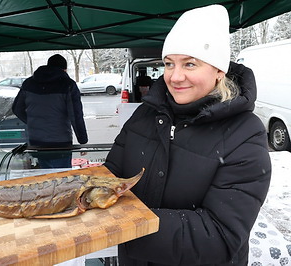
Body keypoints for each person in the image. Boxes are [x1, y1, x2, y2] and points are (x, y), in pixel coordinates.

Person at [104, 5, 271, 266]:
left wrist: (120, 227)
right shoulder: (145, 115)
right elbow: (112, 177)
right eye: (169, 64)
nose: (175, 76)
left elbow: (220, 235)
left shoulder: (245, 133)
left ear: (219, 71)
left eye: (190, 64)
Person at [12, 54, 88, 168]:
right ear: (64, 69)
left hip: (37, 142)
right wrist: (82, 140)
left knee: (45, 178)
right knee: (63, 180)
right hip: (60, 143)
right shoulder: (67, 85)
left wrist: (34, 122)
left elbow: (16, 109)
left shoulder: (29, 83)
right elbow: (75, 115)